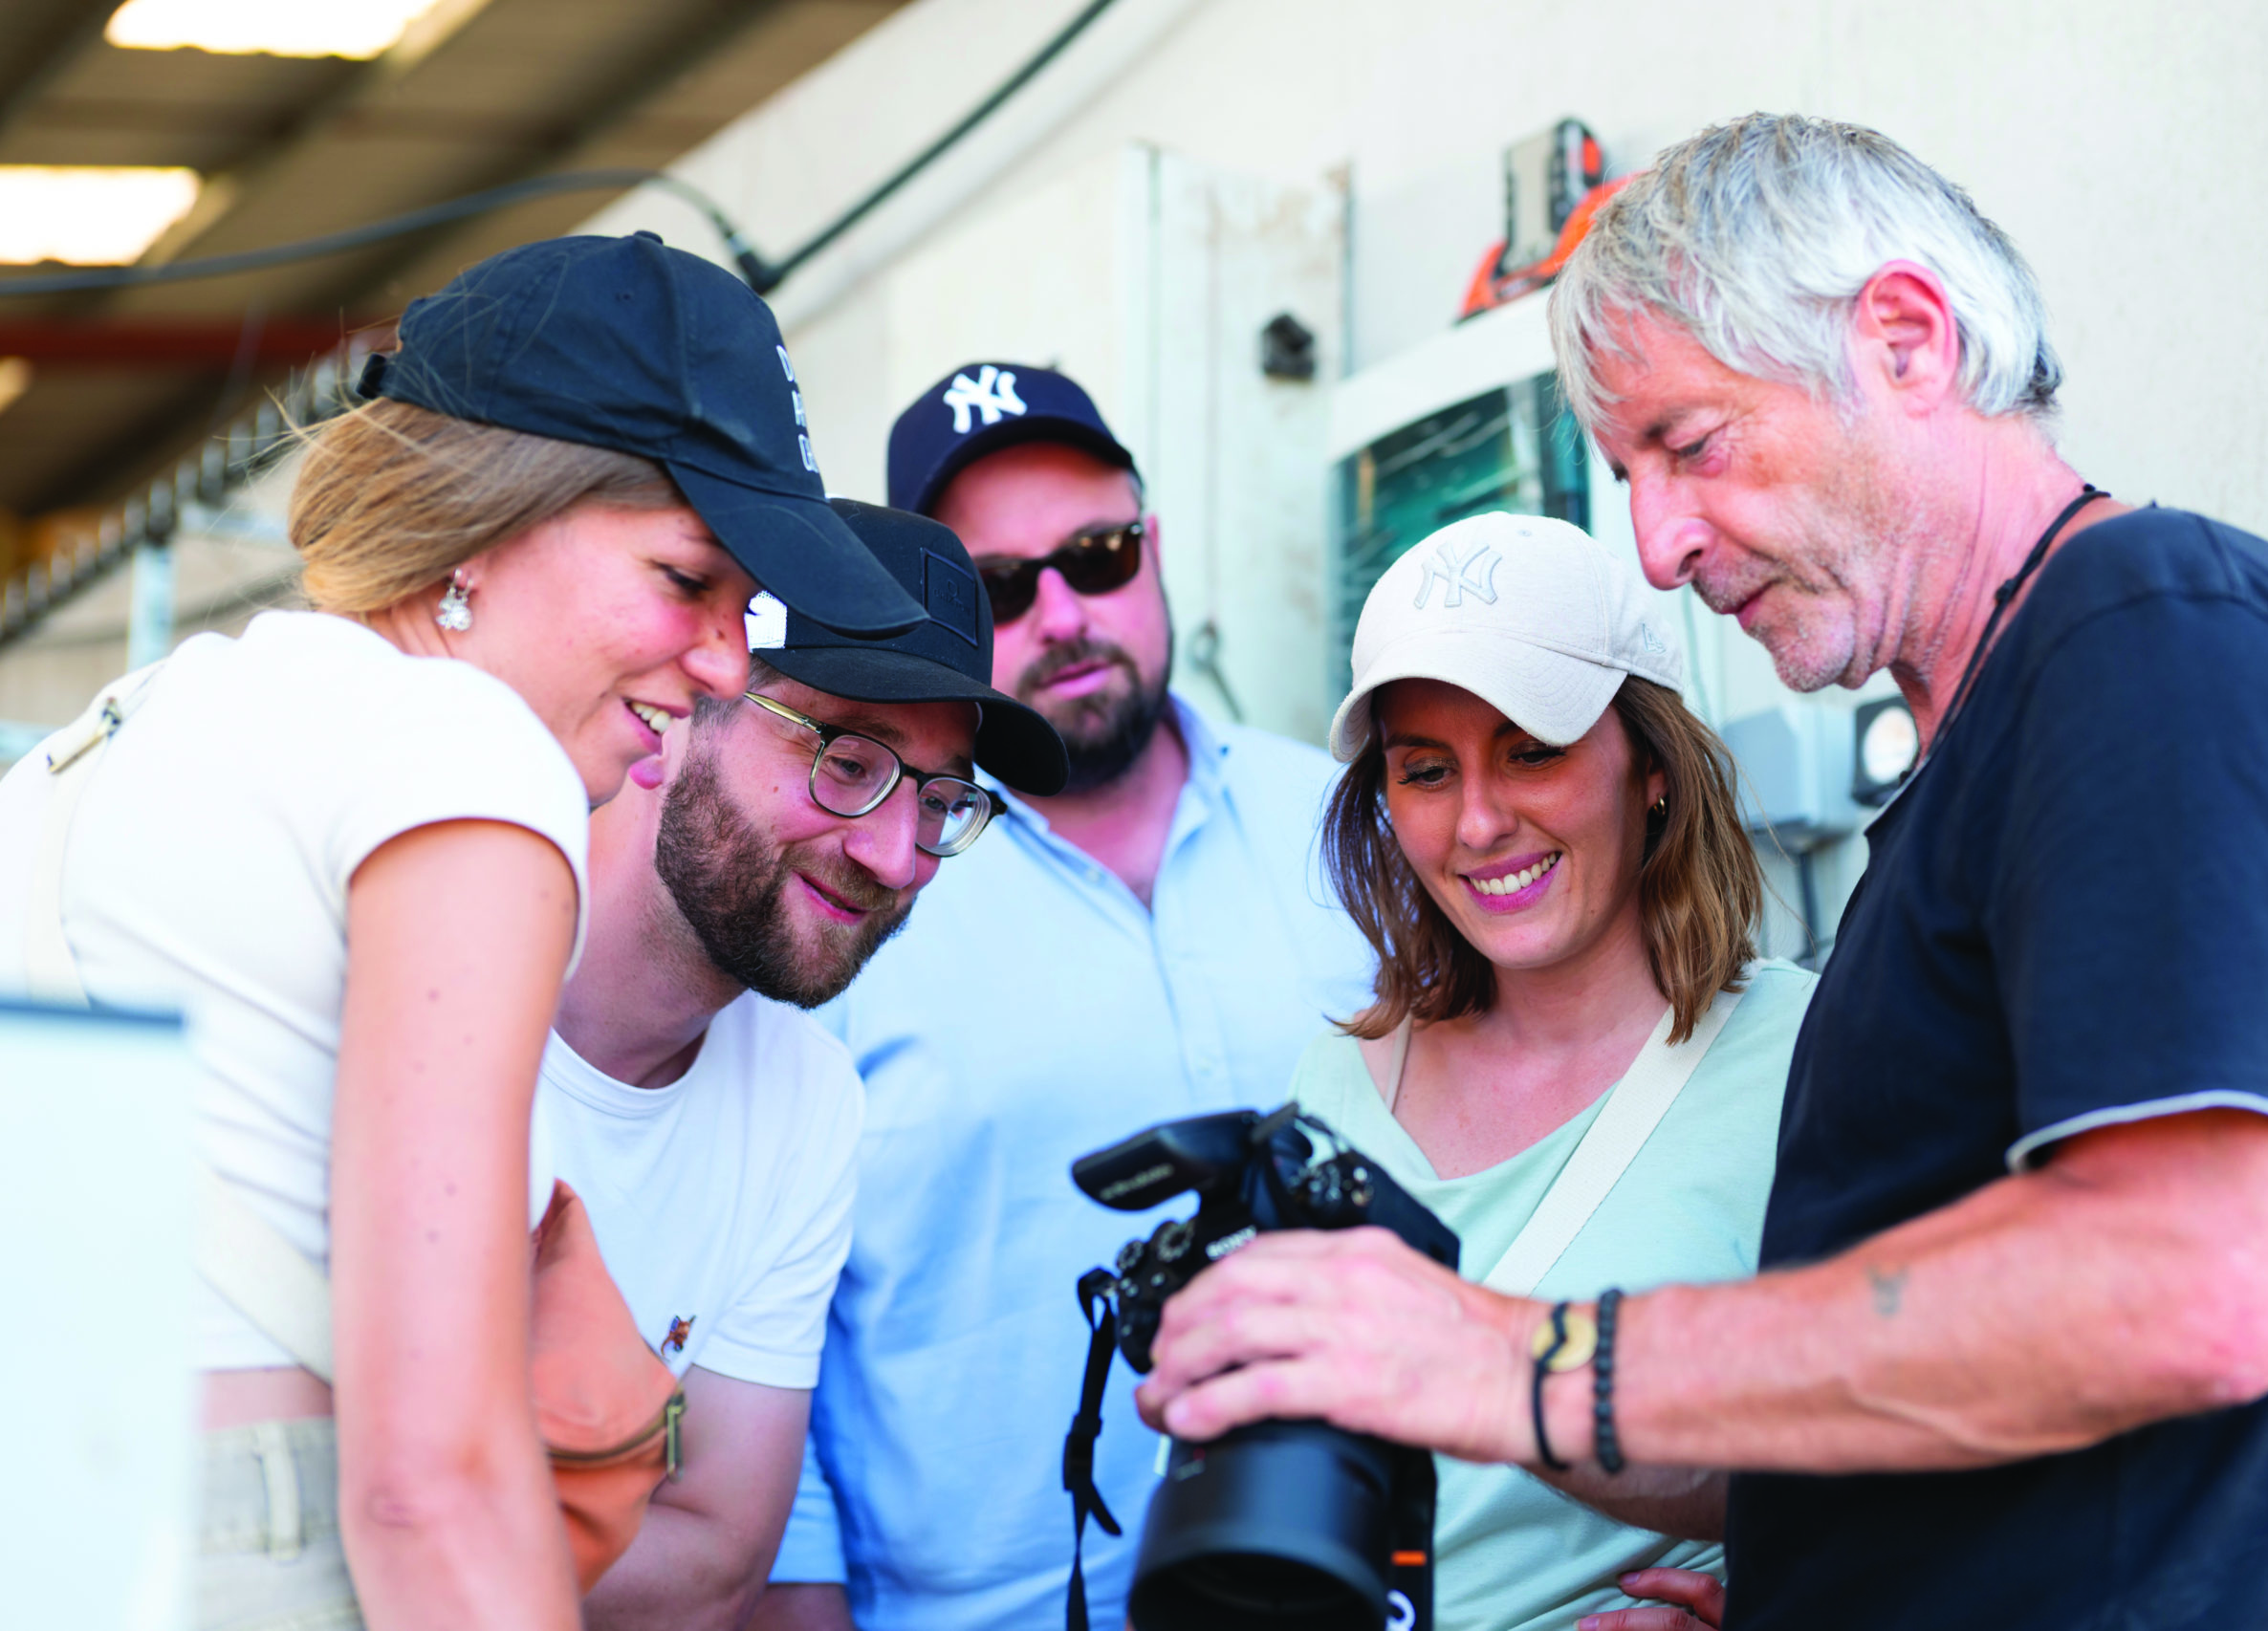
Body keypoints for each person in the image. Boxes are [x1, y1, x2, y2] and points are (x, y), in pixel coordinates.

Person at [1136, 114, 2268, 1631]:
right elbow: (1955, 1403)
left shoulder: (2150, 642)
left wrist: (1515, 1360)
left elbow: (2177, 1286)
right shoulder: (1987, 760)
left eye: (1691, 444)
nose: (1657, 545)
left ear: (1906, 341)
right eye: (1624, 472)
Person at [0, 231, 922, 1631]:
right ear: (487, 522)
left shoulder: (144, 723)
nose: (727, 662)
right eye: (686, 579)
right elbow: (431, 1488)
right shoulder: (469, 762)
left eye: (747, 607)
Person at [750, 364, 1375, 1631]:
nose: (1063, 613)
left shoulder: (1348, 824)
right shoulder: (846, 886)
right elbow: (764, 1332)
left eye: (1097, 555)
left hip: (1363, 1573)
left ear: (1154, 547)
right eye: (997, 586)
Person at [551, 502, 1066, 1631]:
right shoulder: (421, 953)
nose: (896, 856)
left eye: (940, 798)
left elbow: (716, 1564)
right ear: (680, 704)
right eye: (844, 756)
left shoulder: (807, 1098)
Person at [1293, 512, 1814, 1631]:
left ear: (1651, 766)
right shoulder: (1336, 1082)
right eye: (1425, 770)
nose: (1479, 821)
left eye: (1532, 749)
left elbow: (1912, 1451)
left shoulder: (1808, 1055)